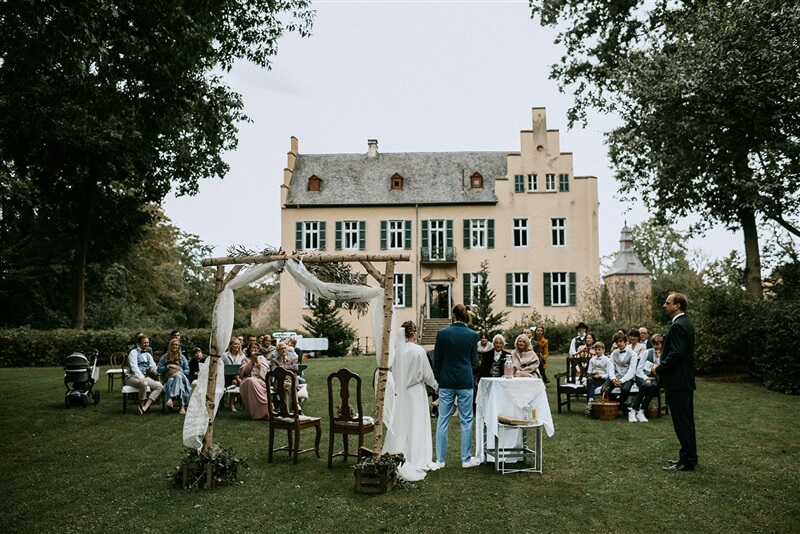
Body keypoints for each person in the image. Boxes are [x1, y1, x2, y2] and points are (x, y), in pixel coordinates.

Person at [382, 321, 439, 481]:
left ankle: (401, 452)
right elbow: (427, 374)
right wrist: (435, 386)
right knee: (417, 424)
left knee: (402, 423)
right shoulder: (419, 351)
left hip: (400, 392)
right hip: (415, 392)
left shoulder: (396, 351)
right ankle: (418, 457)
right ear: (413, 333)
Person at [432, 304, 481, 469]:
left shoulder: (443, 334)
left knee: (443, 419)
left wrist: (439, 379)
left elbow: (436, 360)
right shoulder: (473, 335)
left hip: (446, 380)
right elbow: (474, 360)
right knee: (466, 420)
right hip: (465, 380)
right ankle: (466, 459)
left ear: (453, 315)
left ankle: (440, 459)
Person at [654, 293, 697, 471]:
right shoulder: (683, 323)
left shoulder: (678, 326)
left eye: (667, 303)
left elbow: (677, 353)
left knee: (682, 422)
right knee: (686, 421)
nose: (664, 305)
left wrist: (659, 368)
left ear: (677, 306)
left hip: (678, 382)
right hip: (683, 380)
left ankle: (686, 461)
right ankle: (688, 457)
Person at [125, 335, 163, 415]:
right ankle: (141, 405)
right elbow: (134, 366)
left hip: (143, 377)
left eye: (147, 342)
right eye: (144, 343)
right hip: (131, 377)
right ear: (138, 343)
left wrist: (160, 371)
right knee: (144, 383)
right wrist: (141, 377)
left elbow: (153, 367)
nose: (146, 344)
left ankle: (144, 407)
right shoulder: (133, 352)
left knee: (159, 386)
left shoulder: (148, 355)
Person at [630, 333, 663, 422]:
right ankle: (633, 410)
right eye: (654, 344)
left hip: (655, 378)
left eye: (658, 344)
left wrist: (658, 358)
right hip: (642, 376)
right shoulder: (647, 352)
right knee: (645, 386)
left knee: (653, 386)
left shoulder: (663, 355)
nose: (655, 347)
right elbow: (639, 370)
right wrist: (645, 378)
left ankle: (642, 411)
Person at [607, 332, 639, 422]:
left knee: (625, 390)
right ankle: (622, 406)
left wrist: (621, 380)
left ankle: (617, 407)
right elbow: (611, 368)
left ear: (626, 342)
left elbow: (632, 371)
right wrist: (613, 379)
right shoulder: (613, 354)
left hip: (627, 378)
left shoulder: (633, 354)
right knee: (605, 389)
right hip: (615, 377)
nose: (619, 343)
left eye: (620, 341)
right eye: (617, 342)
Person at [157, 338, 191, 415]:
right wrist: (168, 366)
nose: (174, 346)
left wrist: (180, 371)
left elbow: (187, 370)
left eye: (176, 345)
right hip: (168, 378)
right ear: (170, 346)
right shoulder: (164, 357)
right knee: (172, 381)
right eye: (173, 345)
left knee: (178, 377)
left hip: (181, 377)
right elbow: (158, 370)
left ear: (179, 346)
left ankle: (170, 399)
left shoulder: (182, 357)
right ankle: (181, 407)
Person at [239, 342, 271, 420]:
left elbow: (265, 373)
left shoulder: (262, 359)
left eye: (257, 348)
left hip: (260, 382)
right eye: (253, 348)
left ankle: (263, 412)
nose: (255, 349)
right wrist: (251, 362)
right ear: (249, 350)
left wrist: (258, 362)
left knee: (253, 381)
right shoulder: (244, 360)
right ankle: (255, 413)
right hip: (247, 382)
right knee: (250, 380)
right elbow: (244, 373)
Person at [585, 341, 611, 415]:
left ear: (603, 350)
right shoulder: (592, 359)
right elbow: (589, 372)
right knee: (589, 380)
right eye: (595, 349)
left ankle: (590, 403)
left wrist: (601, 376)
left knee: (591, 385)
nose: (597, 351)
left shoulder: (607, 360)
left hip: (602, 379)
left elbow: (608, 374)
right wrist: (592, 375)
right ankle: (591, 400)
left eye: (599, 349)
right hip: (593, 378)